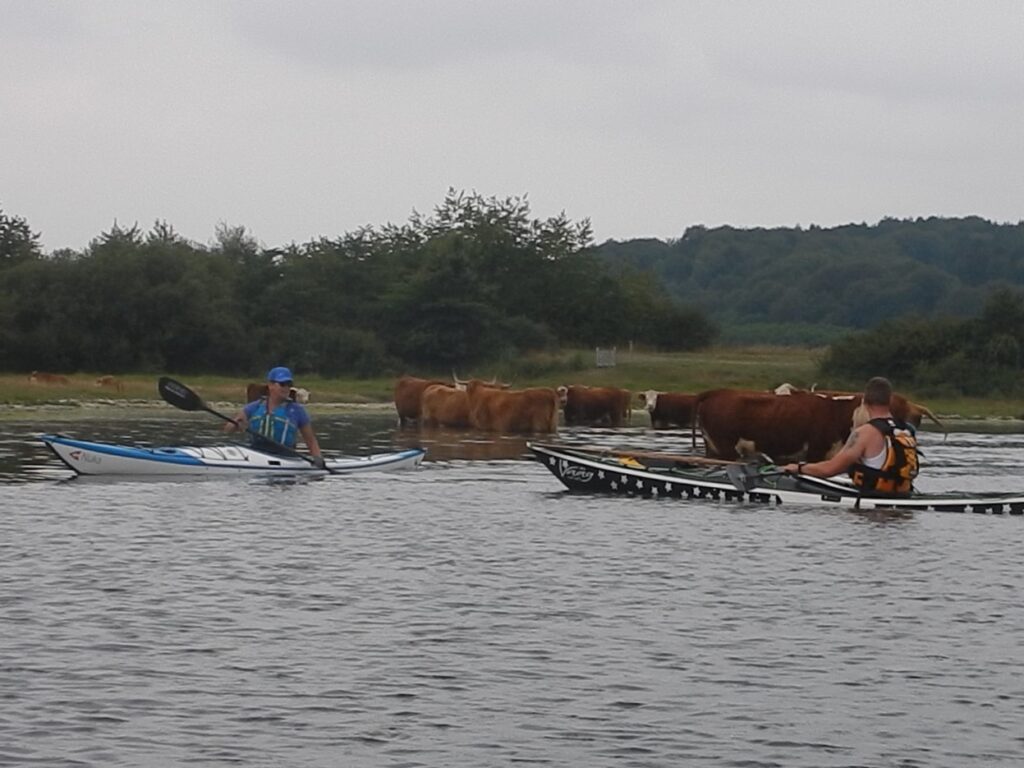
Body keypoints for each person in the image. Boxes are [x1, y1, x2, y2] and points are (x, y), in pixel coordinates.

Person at [781, 376, 919, 496]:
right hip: (902, 493)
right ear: (889, 401)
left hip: (873, 503)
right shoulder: (905, 429)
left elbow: (830, 469)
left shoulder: (864, 433)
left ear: (864, 401)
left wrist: (798, 468)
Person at [226, 366, 325, 468]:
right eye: (282, 384)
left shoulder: (297, 410)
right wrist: (237, 423)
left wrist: (317, 458)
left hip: (285, 457)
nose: (286, 388)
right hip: (256, 454)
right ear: (271, 385)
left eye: (289, 385)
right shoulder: (254, 407)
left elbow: (311, 440)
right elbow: (227, 429)